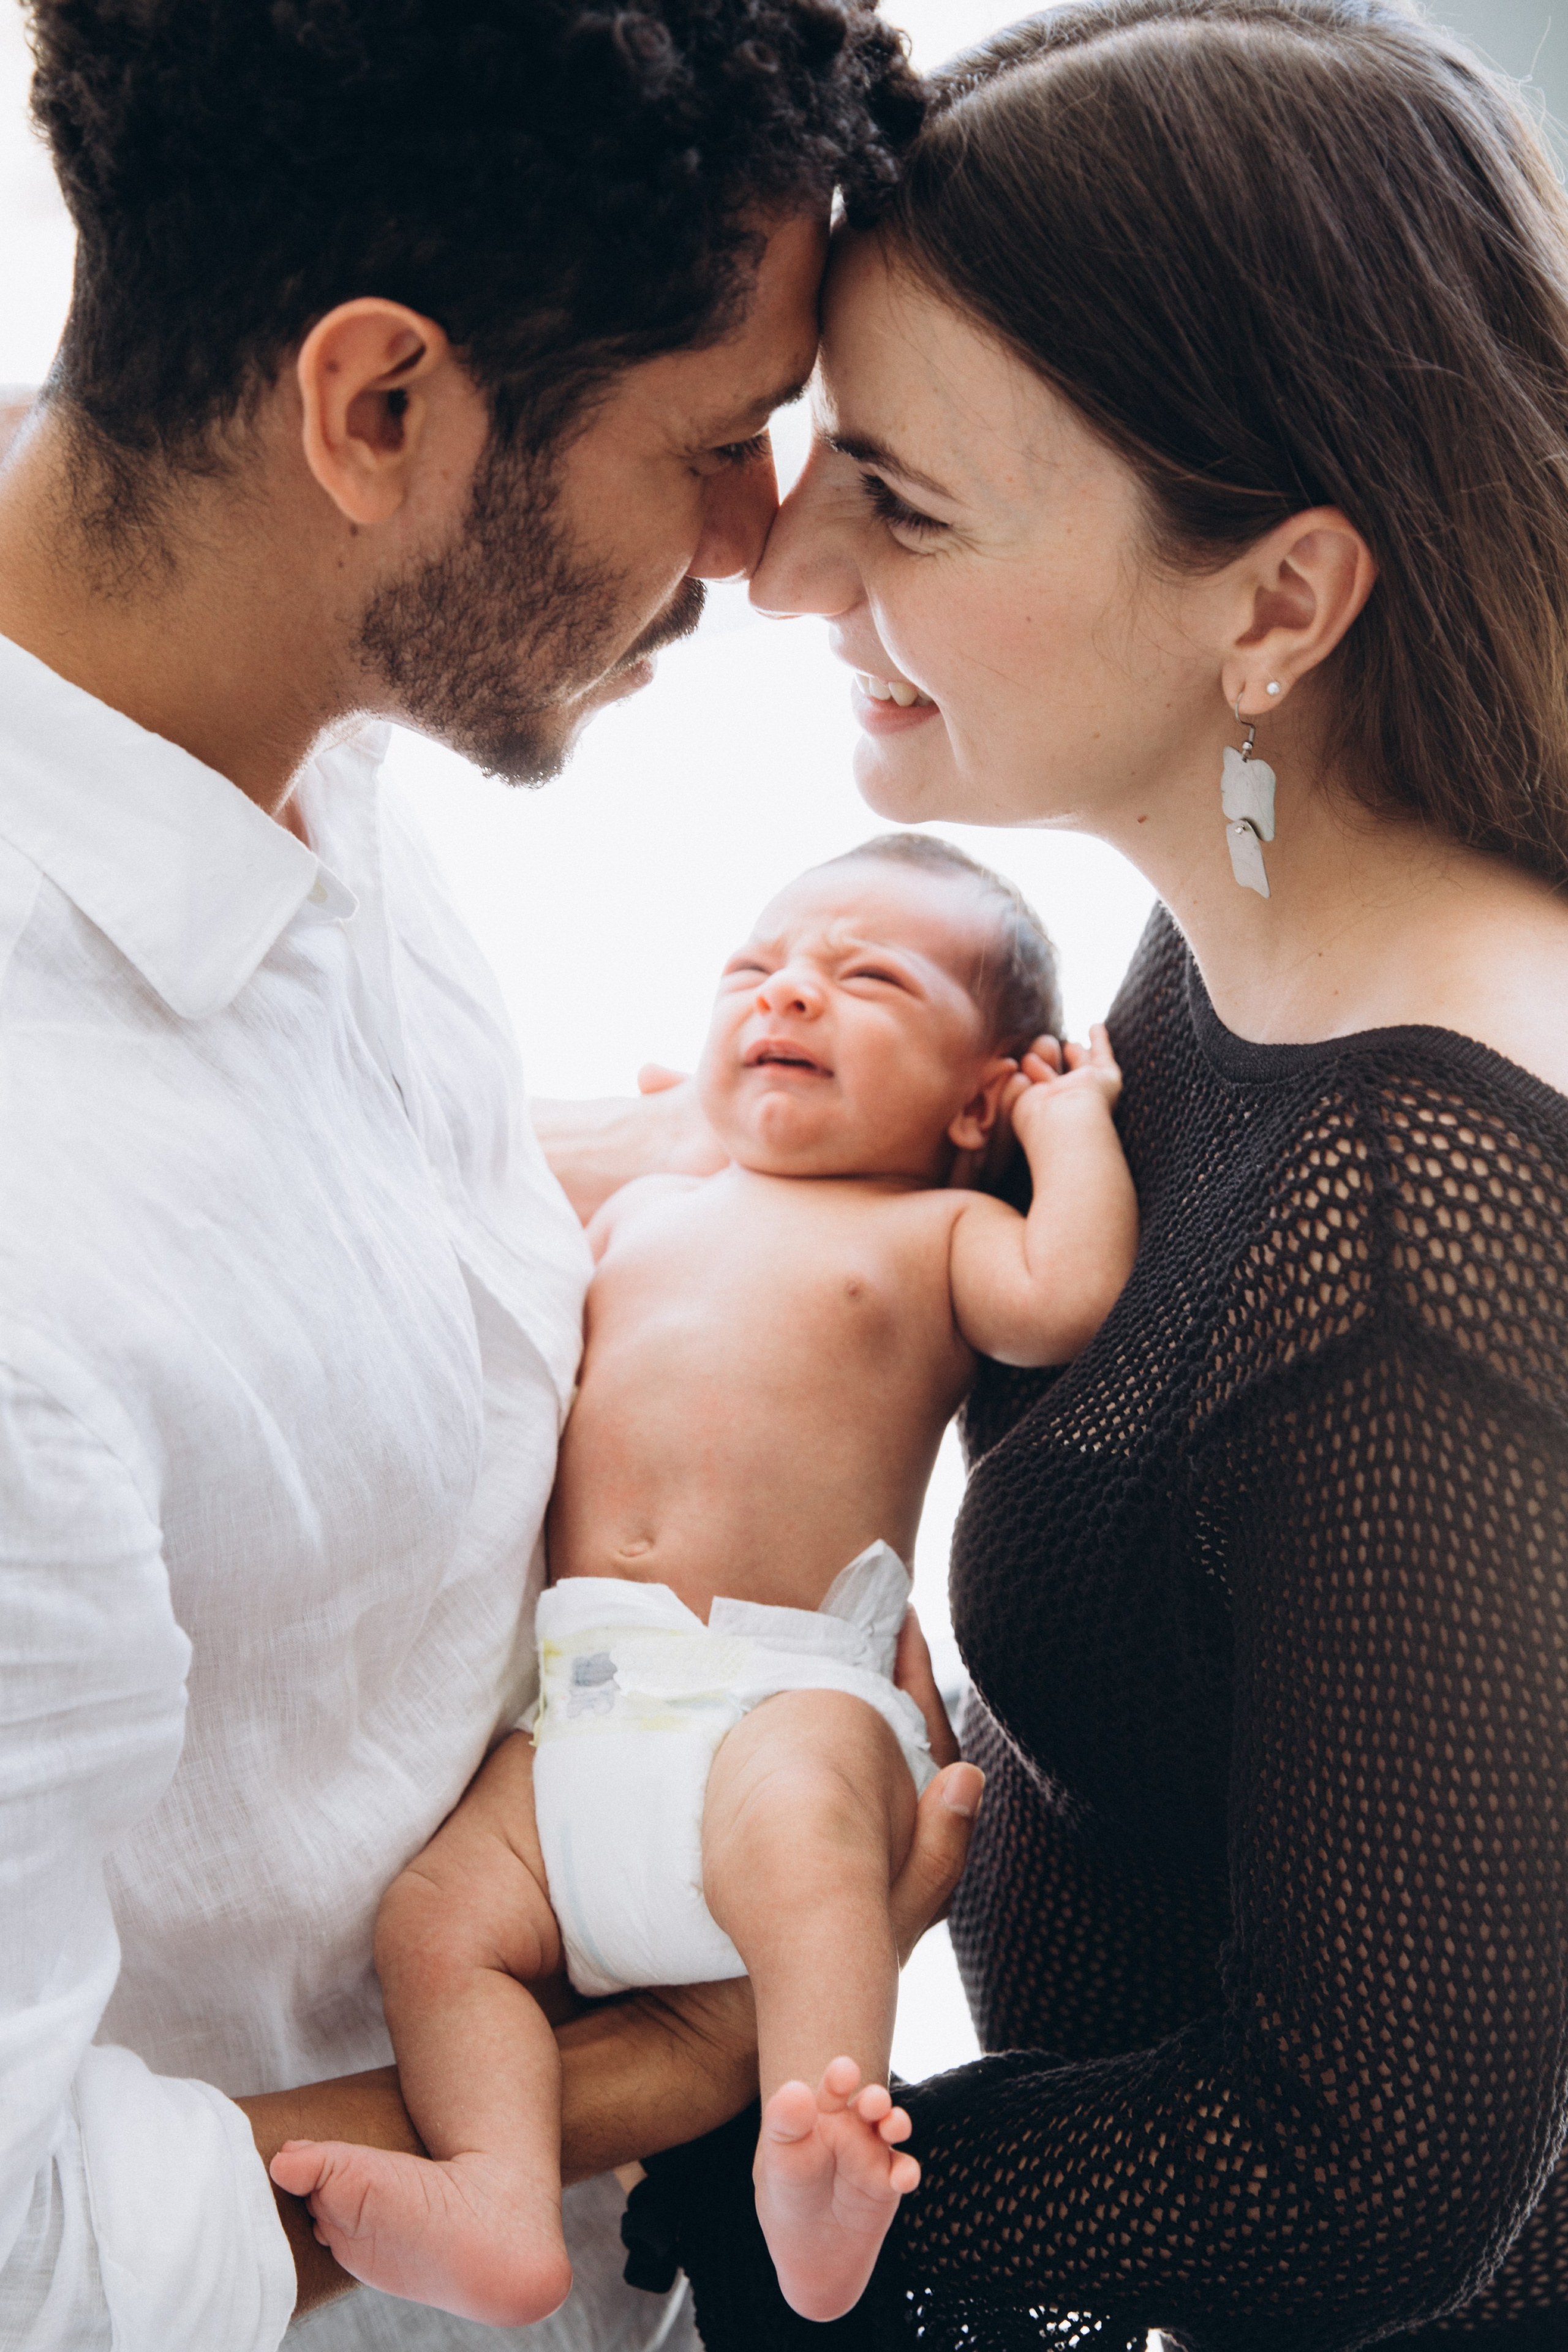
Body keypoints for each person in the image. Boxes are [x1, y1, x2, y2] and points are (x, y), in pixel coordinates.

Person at [0, 6, 987, 2351]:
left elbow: (300, 1237)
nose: (764, 554)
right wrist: (676, 2067)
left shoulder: (271, 706)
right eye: (718, 445)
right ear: (378, 410)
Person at [597, 3, 1568, 2347]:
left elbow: (1363, 2176)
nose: (789, 560)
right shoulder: (1244, 935)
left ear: (1277, 606)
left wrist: (738, 2194)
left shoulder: (1426, 1235)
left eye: (904, 502)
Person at [266, 834, 1137, 2327]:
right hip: (579, 1717)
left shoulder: (935, 1232)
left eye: (862, 978)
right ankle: (495, 2192)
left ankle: (817, 2158)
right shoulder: (639, 1214)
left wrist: (1069, 1132)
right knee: (432, 1924)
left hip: (783, 1687)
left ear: (978, 1096)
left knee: (807, 1841)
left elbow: (1064, 1298)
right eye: (754, 971)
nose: (788, 992)